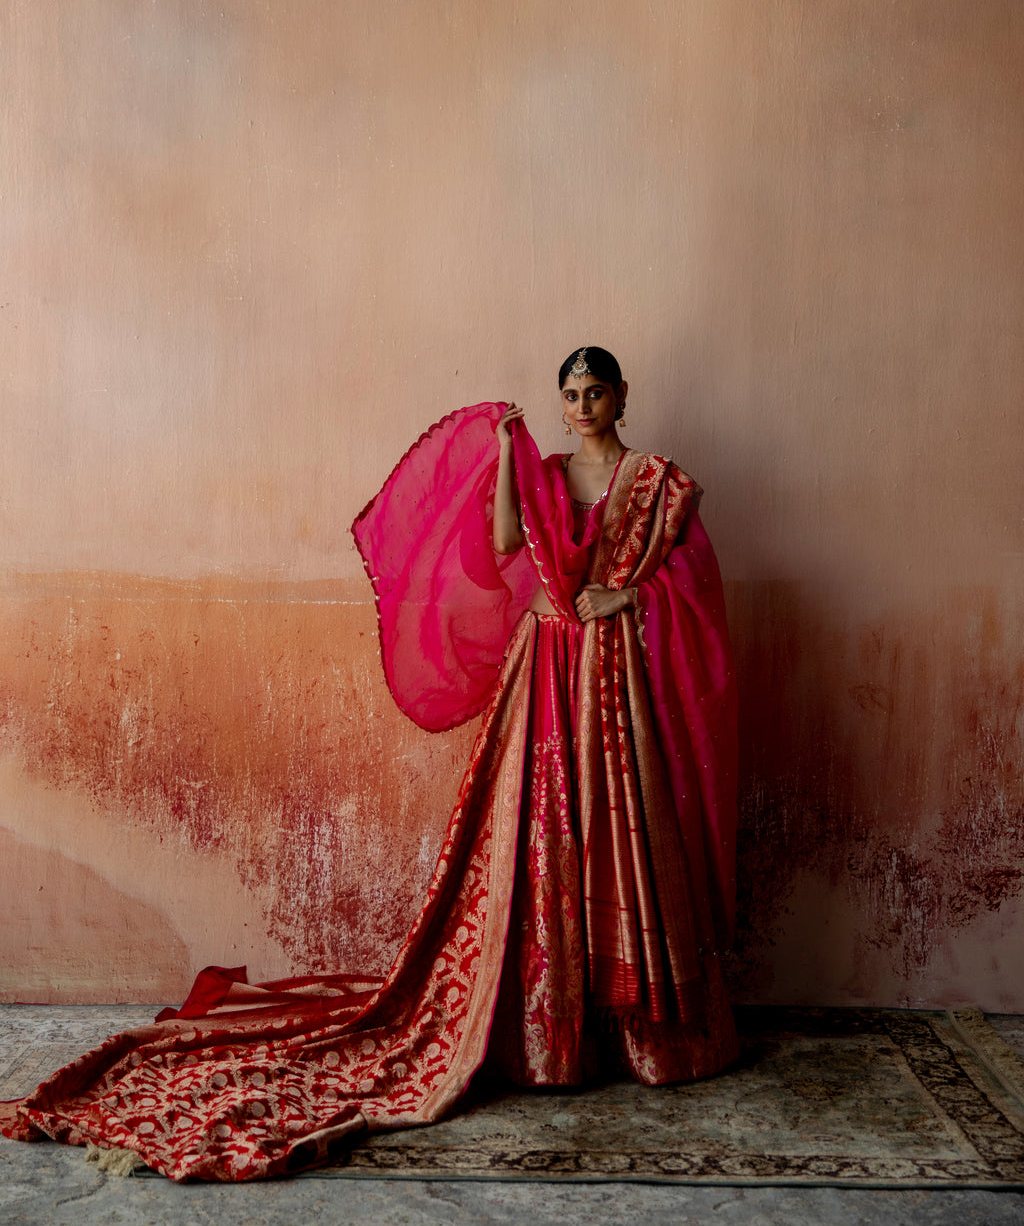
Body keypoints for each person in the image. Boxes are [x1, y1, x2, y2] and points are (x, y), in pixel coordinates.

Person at [0, 347, 738, 1180]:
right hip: (544, 668)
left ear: (620, 397)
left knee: (619, 827)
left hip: (613, 677)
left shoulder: (655, 483)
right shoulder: (545, 469)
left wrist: (629, 595)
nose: (580, 406)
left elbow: (695, 581)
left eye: (594, 393)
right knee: (539, 834)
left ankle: (624, 1025)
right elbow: (501, 542)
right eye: (569, 395)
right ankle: (544, 1029)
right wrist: (503, 452)